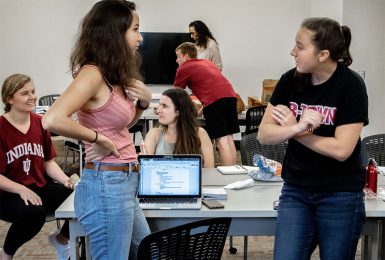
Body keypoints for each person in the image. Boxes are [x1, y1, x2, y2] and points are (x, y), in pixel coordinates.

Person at [42, 1, 151, 259]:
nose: (140, 37)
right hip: (106, 183)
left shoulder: (111, 76)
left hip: (123, 181)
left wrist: (143, 103)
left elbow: (122, 126)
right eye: (135, 29)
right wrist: (97, 138)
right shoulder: (91, 74)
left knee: (147, 250)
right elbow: (52, 119)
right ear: (115, 32)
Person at [258, 17, 368, 259]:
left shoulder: (351, 86)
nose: (292, 51)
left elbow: (341, 150)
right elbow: (264, 134)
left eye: (300, 46)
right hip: (296, 190)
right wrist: (297, 127)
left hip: (340, 193)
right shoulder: (290, 80)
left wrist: (296, 131)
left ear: (323, 54)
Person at [0, 74, 74, 260]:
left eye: (33, 92)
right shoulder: (1, 128)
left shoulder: (40, 122)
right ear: (9, 99)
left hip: (38, 187)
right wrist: (20, 189)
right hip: (7, 194)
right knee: (34, 214)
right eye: (25, 93)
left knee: (82, 198)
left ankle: (62, 239)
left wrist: (65, 180)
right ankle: (6, 254)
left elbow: (48, 162)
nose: (32, 97)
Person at [174, 42, 240, 166]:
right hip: (231, 97)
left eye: (178, 56)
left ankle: (229, 175)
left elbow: (175, 94)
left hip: (215, 101)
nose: (177, 60)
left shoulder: (184, 68)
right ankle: (235, 172)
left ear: (186, 56)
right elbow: (214, 87)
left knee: (221, 139)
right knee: (229, 138)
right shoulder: (207, 63)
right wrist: (202, 110)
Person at [143, 88, 214, 167]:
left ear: (178, 111)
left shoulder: (200, 133)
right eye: (159, 105)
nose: (158, 110)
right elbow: (147, 169)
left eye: (164, 106)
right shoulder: (154, 134)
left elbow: (209, 169)